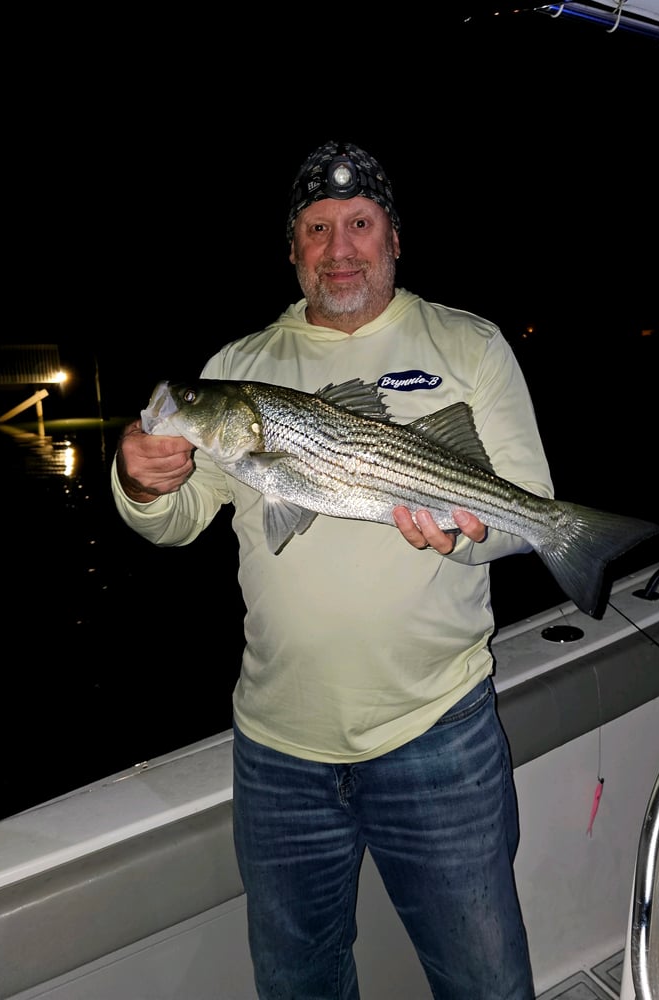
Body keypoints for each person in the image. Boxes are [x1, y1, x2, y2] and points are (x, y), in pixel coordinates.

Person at [112, 140, 553, 999]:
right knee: (298, 985)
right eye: (317, 228)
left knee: (484, 982)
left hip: (436, 733)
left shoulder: (467, 342)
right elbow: (177, 519)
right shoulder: (236, 372)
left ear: (394, 237)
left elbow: (525, 508)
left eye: (360, 223)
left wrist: (464, 533)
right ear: (292, 249)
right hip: (278, 750)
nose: (339, 247)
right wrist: (139, 481)